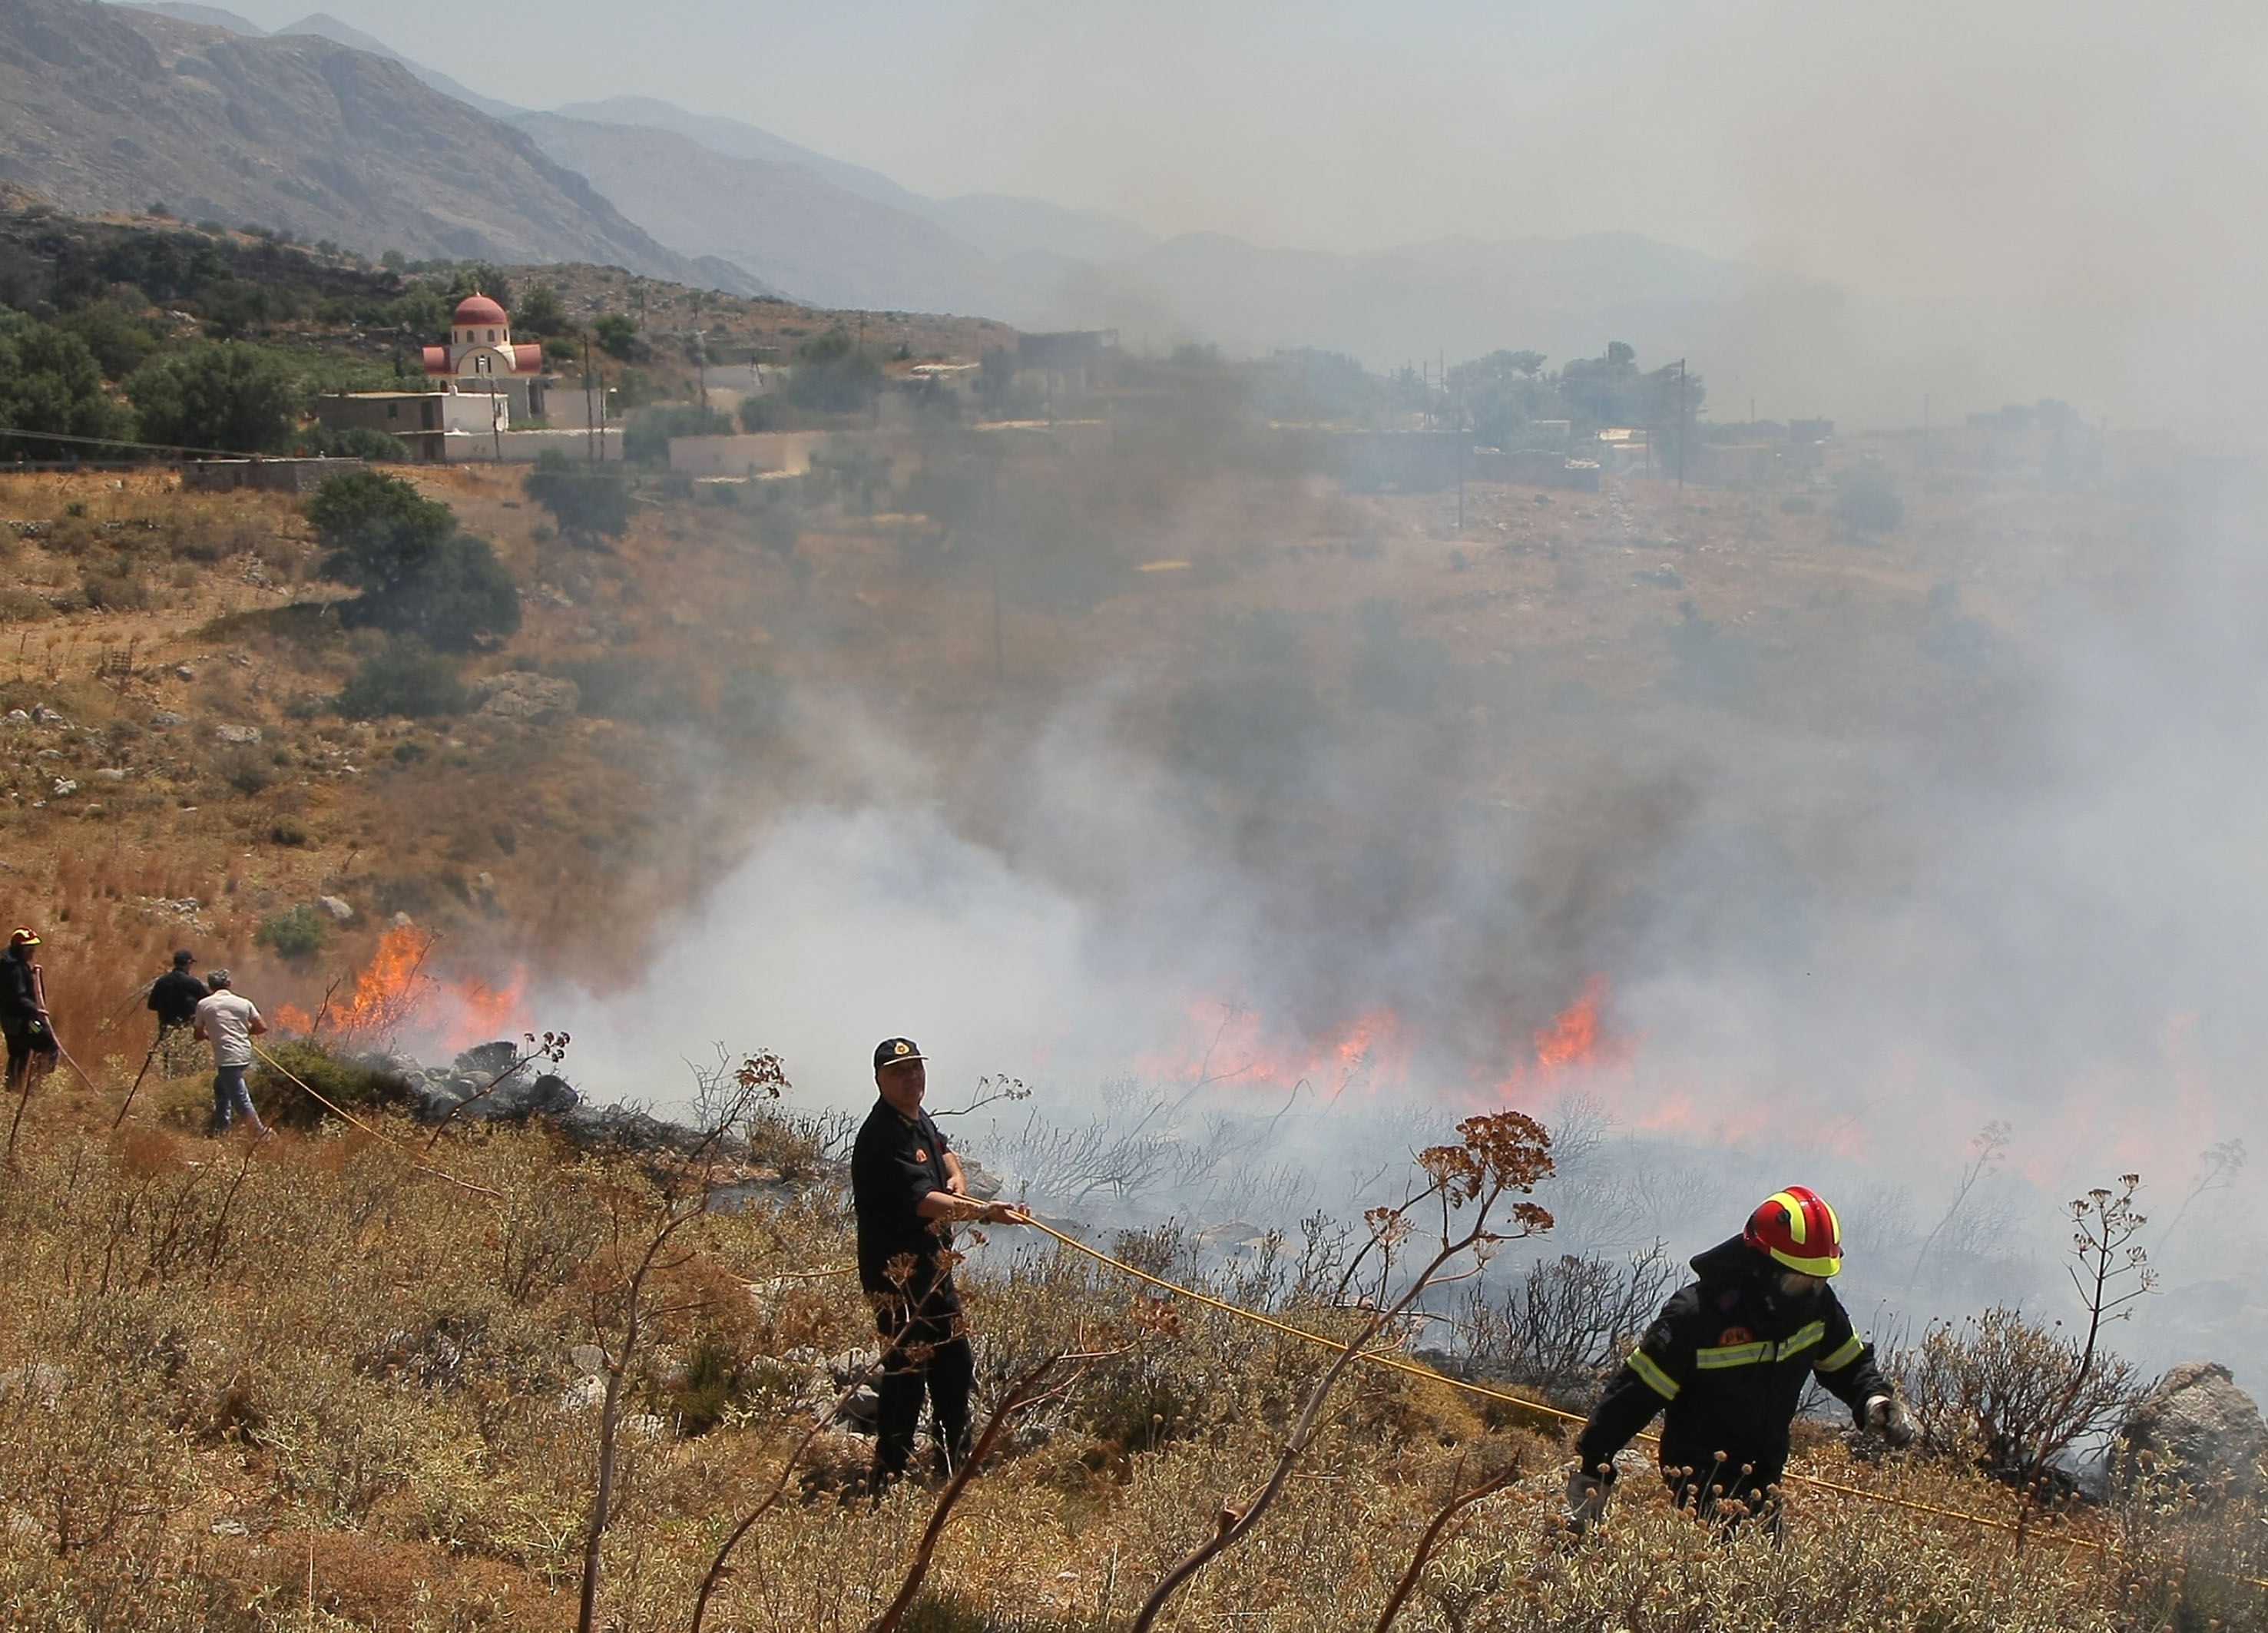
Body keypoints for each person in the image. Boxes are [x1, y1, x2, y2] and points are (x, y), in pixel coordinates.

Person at [1566, 1185, 1916, 1532]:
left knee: (1765, 1564)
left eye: (1818, 1280)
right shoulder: (1696, 1317)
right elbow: (1633, 1396)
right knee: (1719, 1562)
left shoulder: (1816, 1305)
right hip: (1697, 1481)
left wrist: (1874, 1399)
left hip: (1766, 1476)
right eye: (1797, 1280)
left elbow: (1848, 1364)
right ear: (1760, 1267)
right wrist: (1593, 1468)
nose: (1809, 1290)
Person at [850, 1037, 1021, 1486]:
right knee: (908, 1371)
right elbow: (923, 1202)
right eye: (898, 1072)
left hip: (933, 1271)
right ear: (879, 1079)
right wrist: (984, 1212)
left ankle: (951, 1467)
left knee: (955, 1365)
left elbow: (943, 1150)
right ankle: (887, 1476)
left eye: (916, 1069)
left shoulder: (915, 1117)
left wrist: (957, 1176)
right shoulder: (882, 1135)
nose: (911, 1078)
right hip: (897, 1276)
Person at [192, 969, 270, 1138]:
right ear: (229, 984)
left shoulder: (203, 1005)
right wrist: (243, 1032)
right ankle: (222, 1126)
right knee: (220, 1085)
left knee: (240, 1097)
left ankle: (260, 1134)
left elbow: (197, 1034)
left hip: (228, 1057)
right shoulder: (244, 1003)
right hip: (244, 1053)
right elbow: (262, 1027)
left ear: (211, 986)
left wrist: (209, 1035)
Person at [1, 927, 58, 1096]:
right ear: (19, 949)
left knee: (18, 1055)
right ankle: (35, 1088)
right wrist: (36, 1010)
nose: (33, 952)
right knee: (50, 1046)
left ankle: (11, 1092)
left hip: (9, 1020)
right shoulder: (15, 969)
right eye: (29, 949)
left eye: (33, 948)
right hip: (25, 1022)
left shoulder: (7, 962)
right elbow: (19, 998)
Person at [146, 949, 208, 1075]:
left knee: (169, 1062)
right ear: (188, 963)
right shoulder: (193, 982)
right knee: (190, 1062)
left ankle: (170, 1081)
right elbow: (207, 1004)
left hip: (167, 1028)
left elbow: (151, 1005)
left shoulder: (162, 982)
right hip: (189, 1029)